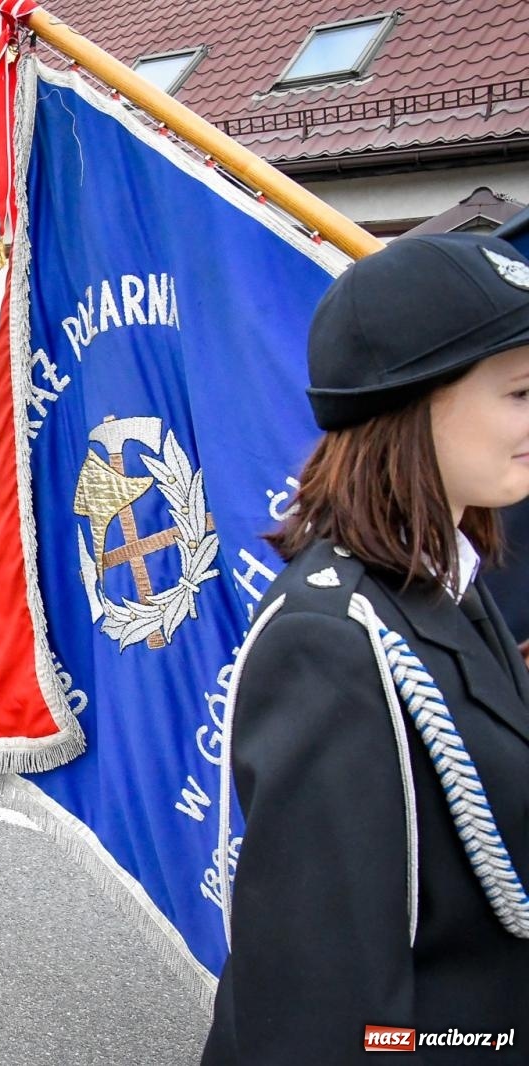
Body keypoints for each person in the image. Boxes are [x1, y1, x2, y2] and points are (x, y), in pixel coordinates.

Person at [203, 233, 529, 1063]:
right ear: (416, 403)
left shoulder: (451, 578)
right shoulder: (332, 643)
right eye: (520, 392)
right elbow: (325, 1014)